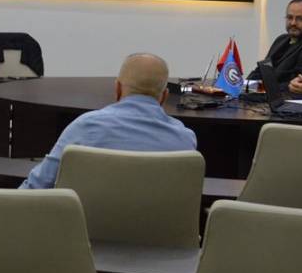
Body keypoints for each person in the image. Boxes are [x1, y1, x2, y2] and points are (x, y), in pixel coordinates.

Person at [20, 53, 197, 189]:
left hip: (86, 227)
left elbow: (38, 186)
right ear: (164, 96)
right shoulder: (184, 140)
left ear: (117, 89)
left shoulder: (86, 127)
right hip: (158, 228)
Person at [249, 0, 302, 86]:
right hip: (264, 90)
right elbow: (262, 70)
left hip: (283, 93)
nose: (293, 23)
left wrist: (258, 88)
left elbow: (297, 86)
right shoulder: (281, 39)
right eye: (290, 17)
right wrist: (246, 85)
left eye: (300, 19)